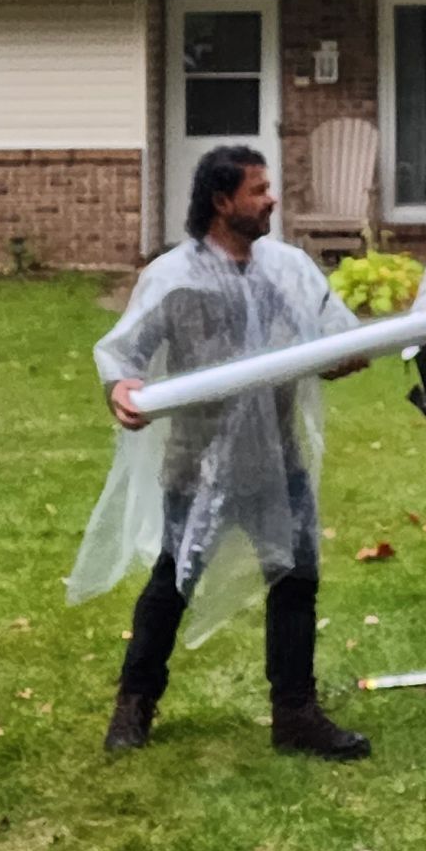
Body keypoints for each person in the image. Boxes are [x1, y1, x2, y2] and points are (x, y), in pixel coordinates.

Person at [84, 144, 371, 761]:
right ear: (222, 201)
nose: (271, 200)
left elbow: (337, 335)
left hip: (278, 458)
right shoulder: (175, 276)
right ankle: (134, 705)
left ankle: (296, 713)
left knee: (296, 580)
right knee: (173, 581)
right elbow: (124, 350)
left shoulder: (287, 269)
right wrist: (121, 389)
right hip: (198, 460)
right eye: (258, 190)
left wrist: (349, 354)